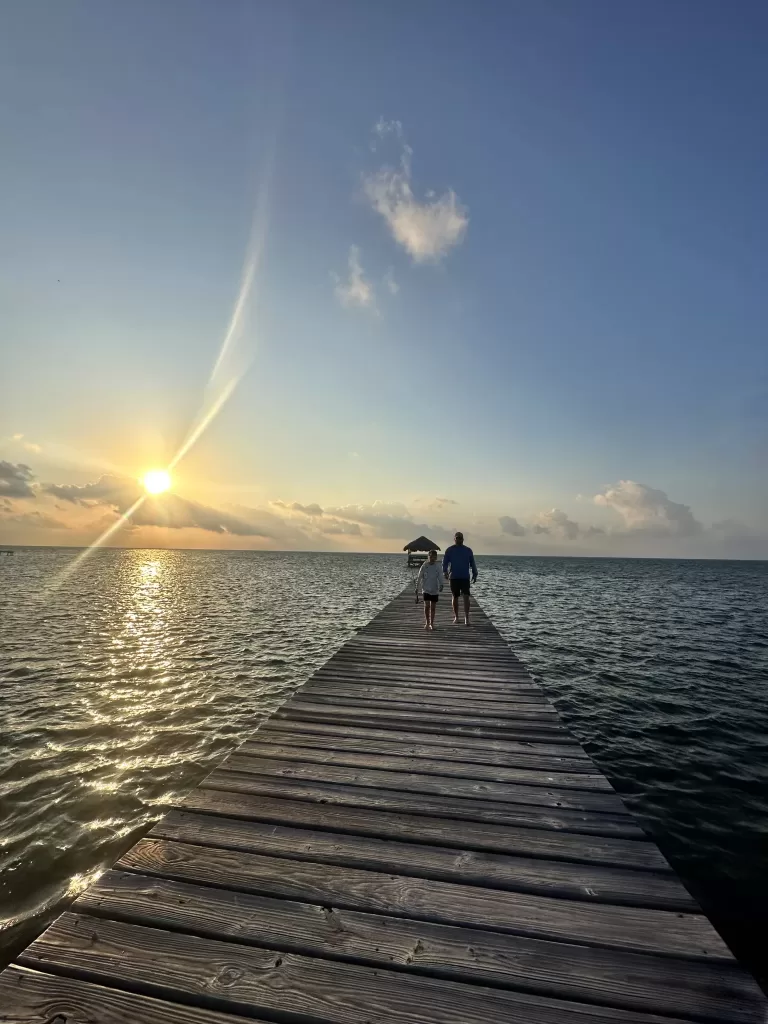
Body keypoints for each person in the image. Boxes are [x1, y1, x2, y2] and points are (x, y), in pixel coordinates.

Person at [442, 531, 477, 625]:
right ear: (454, 539)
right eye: (457, 538)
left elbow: (472, 563)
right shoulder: (449, 550)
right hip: (454, 577)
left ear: (463, 539)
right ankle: (456, 616)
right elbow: (444, 562)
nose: (459, 539)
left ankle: (466, 617)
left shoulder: (468, 550)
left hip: (465, 577)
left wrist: (475, 573)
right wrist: (444, 571)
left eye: (460, 538)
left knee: (466, 596)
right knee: (455, 596)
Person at [416, 549, 443, 629]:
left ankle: (432, 623)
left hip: (434, 590)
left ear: (436, 557)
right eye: (431, 557)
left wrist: (441, 585)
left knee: (433, 607)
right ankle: (427, 622)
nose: (433, 559)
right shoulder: (424, 566)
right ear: (428, 557)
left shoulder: (437, 566)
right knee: (427, 606)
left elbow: (440, 576)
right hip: (426, 589)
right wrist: (416, 587)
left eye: (434, 557)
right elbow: (419, 577)